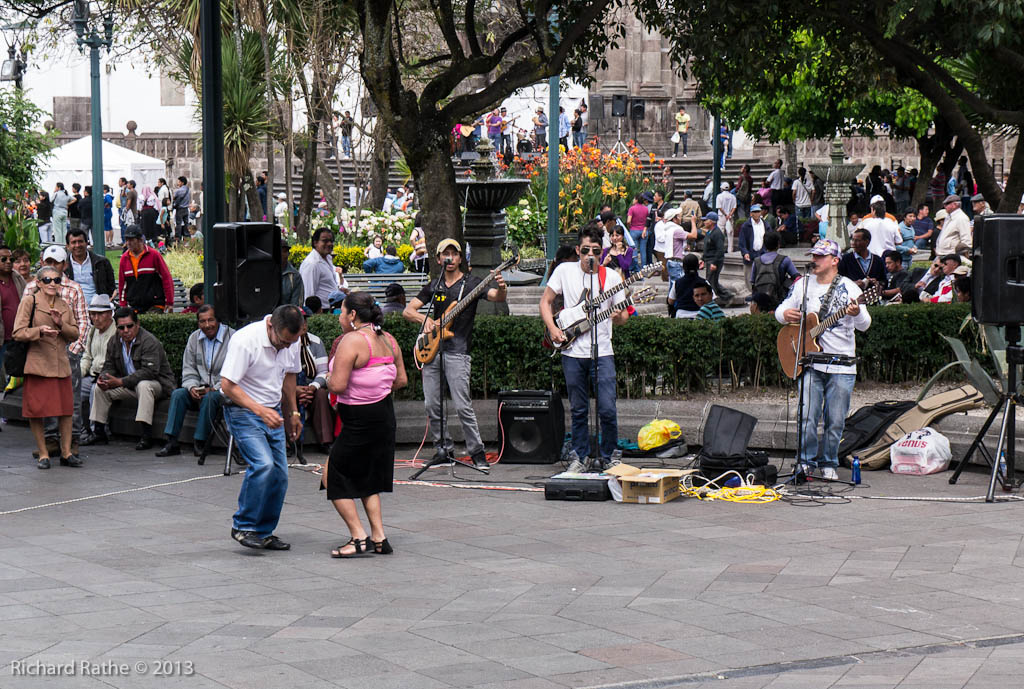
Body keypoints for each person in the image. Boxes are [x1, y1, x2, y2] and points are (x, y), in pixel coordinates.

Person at [403, 239, 507, 473]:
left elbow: (497, 297)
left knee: (462, 405)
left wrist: (502, 286)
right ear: (438, 259)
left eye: (454, 253)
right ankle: (443, 449)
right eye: (445, 254)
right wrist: (425, 320)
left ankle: (477, 452)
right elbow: (408, 311)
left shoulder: (472, 284)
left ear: (460, 258)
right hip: (432, 350)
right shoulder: (434, 285)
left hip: (458, 350)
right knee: (432, 404)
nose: (449, 258)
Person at [776, 239, 871, 480]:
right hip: (809, 361)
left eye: (820, 256)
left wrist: (856, 313)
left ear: (835, 260)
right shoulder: (803, 284)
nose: (814, 260)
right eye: (814, 255)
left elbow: (865, 325)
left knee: (835, 419)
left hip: (842, 364)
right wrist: (784, 314)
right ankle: (805, 462)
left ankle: (829, 462)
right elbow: (780, 310)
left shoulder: (850, 288)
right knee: (807, 416)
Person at [325, 291, 408, 557]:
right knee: (368, 476)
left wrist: (326, 378)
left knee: (332, 475)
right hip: (384, 415)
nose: (339, 316)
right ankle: (379, 537)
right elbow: (401, 380)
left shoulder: (352, 340)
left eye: (341, 311)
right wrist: (376, 387)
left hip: (358, 418)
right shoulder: (389, 339)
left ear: (352, 315)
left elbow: (338, 385)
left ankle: (359, 537)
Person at [540, 225, 629, 472]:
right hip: (572, 351)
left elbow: (623, 316)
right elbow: (545, 302)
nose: (591, 255)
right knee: (578, 409)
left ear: (602, 252)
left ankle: (610, 456)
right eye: (586, 250)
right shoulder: (564, 271)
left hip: (603, 351)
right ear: (578, 250)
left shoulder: (611, 278)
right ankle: (579, 457)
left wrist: (619, 317)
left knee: (607, 408)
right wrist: (553, 329)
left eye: (596, 251)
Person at [220, 304, 304, 550]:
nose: (286, 347)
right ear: (270, 325)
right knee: (263, 464)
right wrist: (260, 410)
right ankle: (243, 526)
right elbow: (227, 385)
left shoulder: (293, 339)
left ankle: (263, 531)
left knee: (280, 474)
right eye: (283, 341)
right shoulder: (245, 340)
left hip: (272, 410)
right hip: (243, 410)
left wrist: (293, 412)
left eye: (291, 342)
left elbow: (290, 375)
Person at [25, 246, 90, 459]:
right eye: (49, 262)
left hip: (66, 353)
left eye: (57, 263)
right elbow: (22, 325)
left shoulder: (73, 289)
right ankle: (51, 442)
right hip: (41, 355)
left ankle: (72, 443)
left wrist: (73, 349)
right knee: (46, 402)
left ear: (64, 265)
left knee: (71, 402)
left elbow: (82, 322)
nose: (52, 268)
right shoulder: (31, 289)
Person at [13, 266, 81, 469]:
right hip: (38, 364)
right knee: (36, 411)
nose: (52, 283)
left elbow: (75, 334)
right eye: (47, 280)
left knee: (66, 411)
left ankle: (66, 453)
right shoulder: (30, 301)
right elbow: (18, 332)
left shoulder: (63, 304)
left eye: (56, 280)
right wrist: (39, 331)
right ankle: (43, 454)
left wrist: (60, 324)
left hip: (61, 364)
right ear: (39, 283)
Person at [85, 307, 175, 449]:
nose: (126, 330)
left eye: (129, 326)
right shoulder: (114, 341)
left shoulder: (149, 341)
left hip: (157, 386)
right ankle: (99, 432)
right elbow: (109, 366)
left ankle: (146, 434)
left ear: (137, 324)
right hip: (128, 385)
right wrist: (103, 379)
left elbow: (149, 372)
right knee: (99, 388)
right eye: (121, 327)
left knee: (143, 385)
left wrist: (121, 381)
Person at [156, 305, 235, 458]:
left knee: (210, 398)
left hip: (222, 390)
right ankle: (172, 441)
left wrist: (214, 388)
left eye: (211, 320)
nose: (207, 325)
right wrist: (192, 387)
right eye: (202, 321)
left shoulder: (232, 338)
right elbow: (189, 368)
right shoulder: (194, 338)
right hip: (199, 388)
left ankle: (200, 441)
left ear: (218, 320)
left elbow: (233, 373)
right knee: (178, 394)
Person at [80, 294, 117, 434]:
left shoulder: (116, 331)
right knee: (73, 388)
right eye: (93, 314)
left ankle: (97, 431)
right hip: (92, 375)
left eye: (100, 314)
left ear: (109, 314)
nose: (96, 318)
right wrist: (79, 373)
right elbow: (87, 356)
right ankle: (78, 428)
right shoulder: (93, 330)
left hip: (110, 376)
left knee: (95, 391)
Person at [117, 225, 174, 313]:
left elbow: (166, 278)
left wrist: (169, 301)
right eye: (127, 240)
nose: (128, 243)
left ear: (140, 240)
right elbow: (122, 284)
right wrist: (123, 305)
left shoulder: (154, 255)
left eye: (131, 240)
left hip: (155, 304)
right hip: (134, 305)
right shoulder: (124, 259)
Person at [65, 228, 115, 305]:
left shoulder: (101, 262)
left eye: (80, 241)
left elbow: (111, 287)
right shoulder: (64, 266)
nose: (77, 245)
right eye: (73, 242)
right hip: (72, 307)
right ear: (68, 246)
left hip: (98, 307)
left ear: (86, 243)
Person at [0, 245, 27, 374]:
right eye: (3, 259)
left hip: (18, 338)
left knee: (17, 376)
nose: (8, 262)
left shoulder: (17, 278)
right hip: (2, 340)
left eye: (11, 259)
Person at [750, 231, 799, 304]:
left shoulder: (756, 261)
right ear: (778, 244)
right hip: (779, 301)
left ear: (764, 244)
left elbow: (752, 282)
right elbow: (797, 277)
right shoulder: (784, 260)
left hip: (760, 302)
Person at [738, 204, 772, 289]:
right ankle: (751, 292)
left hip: (762, 253)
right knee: (749, 277)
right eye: (754, 212)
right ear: (751, 214)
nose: (756, 214)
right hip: (750, 254)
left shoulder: (766, 225)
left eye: (758, 212)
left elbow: (770, 237)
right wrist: (745, 252)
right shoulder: (746, 226)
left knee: (763, 276)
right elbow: (742, 241)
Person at [300, 228, 338, 303]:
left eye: (331, 241)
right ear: (315, 243)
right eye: (325, 241)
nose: (329, 244)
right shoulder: (312, 263)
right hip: (320, 309)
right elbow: (308, 295)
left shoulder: (328, 258)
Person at [702, 209, 729, 301]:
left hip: (714, 260)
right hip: (709, 259)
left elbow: (720, 250)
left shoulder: (717, 233)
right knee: (713, 281)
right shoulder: (709, 232)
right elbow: (707, 247)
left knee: (710, 281)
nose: (704, 222)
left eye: (706, 220)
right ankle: (727, 297)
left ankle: (718, 299)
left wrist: (714, 263)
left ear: (711, 222)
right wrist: (702, 259)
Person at [668, 253, 704, 319]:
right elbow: (711, 299)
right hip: (700, 315)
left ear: (683, 267)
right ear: (698, 266)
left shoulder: (677, 283)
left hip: (681, 315)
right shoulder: (704, 282)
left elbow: (670, 301)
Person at [279, 239, 305, 307]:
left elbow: (296, 305)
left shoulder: (295, 276)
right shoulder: (264, 272)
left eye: (284, 251)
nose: (282, 255)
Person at [626, 194, 649, 268]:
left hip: (634, 230)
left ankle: (635, 267)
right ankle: (644, 267)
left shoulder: (632, 209)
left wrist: (629, 226)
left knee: (634, 249)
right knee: (643, 250)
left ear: (636, 200)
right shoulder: (646, 209)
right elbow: (647, 220)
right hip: (644, 231)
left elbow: (628, 221)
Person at [715, 182, 737, 251]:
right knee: (730, 233)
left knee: (721, 232)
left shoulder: (719, 196)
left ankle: (720, 248)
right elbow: (734, 207)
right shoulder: (733, 196)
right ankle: (730, 249)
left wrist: (725, 214)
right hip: (730, 216)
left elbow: (719, 207)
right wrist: (729, 214)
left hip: (722, 216)